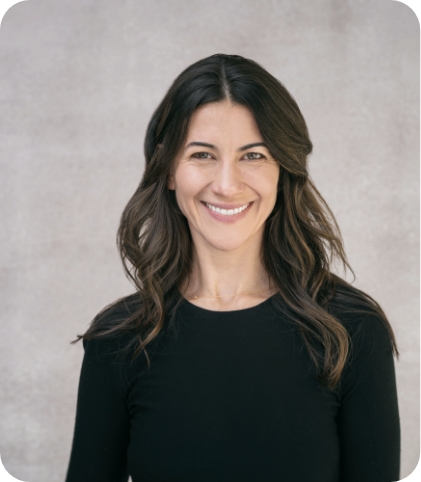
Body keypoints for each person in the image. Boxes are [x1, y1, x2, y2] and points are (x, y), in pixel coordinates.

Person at [65, 54, 400, 482]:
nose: (226, 184)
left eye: (253, 155)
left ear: (283, 169)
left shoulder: (351, 331)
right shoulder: (119, 340)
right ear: (169, 170)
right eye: (203, 154)